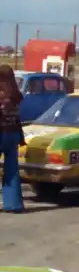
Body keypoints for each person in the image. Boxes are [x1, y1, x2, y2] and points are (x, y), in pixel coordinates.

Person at [0, 65, 26, 213]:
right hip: (14, 134)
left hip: (1, 133)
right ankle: (14, 204)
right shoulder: (16, 95)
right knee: (12, 170)